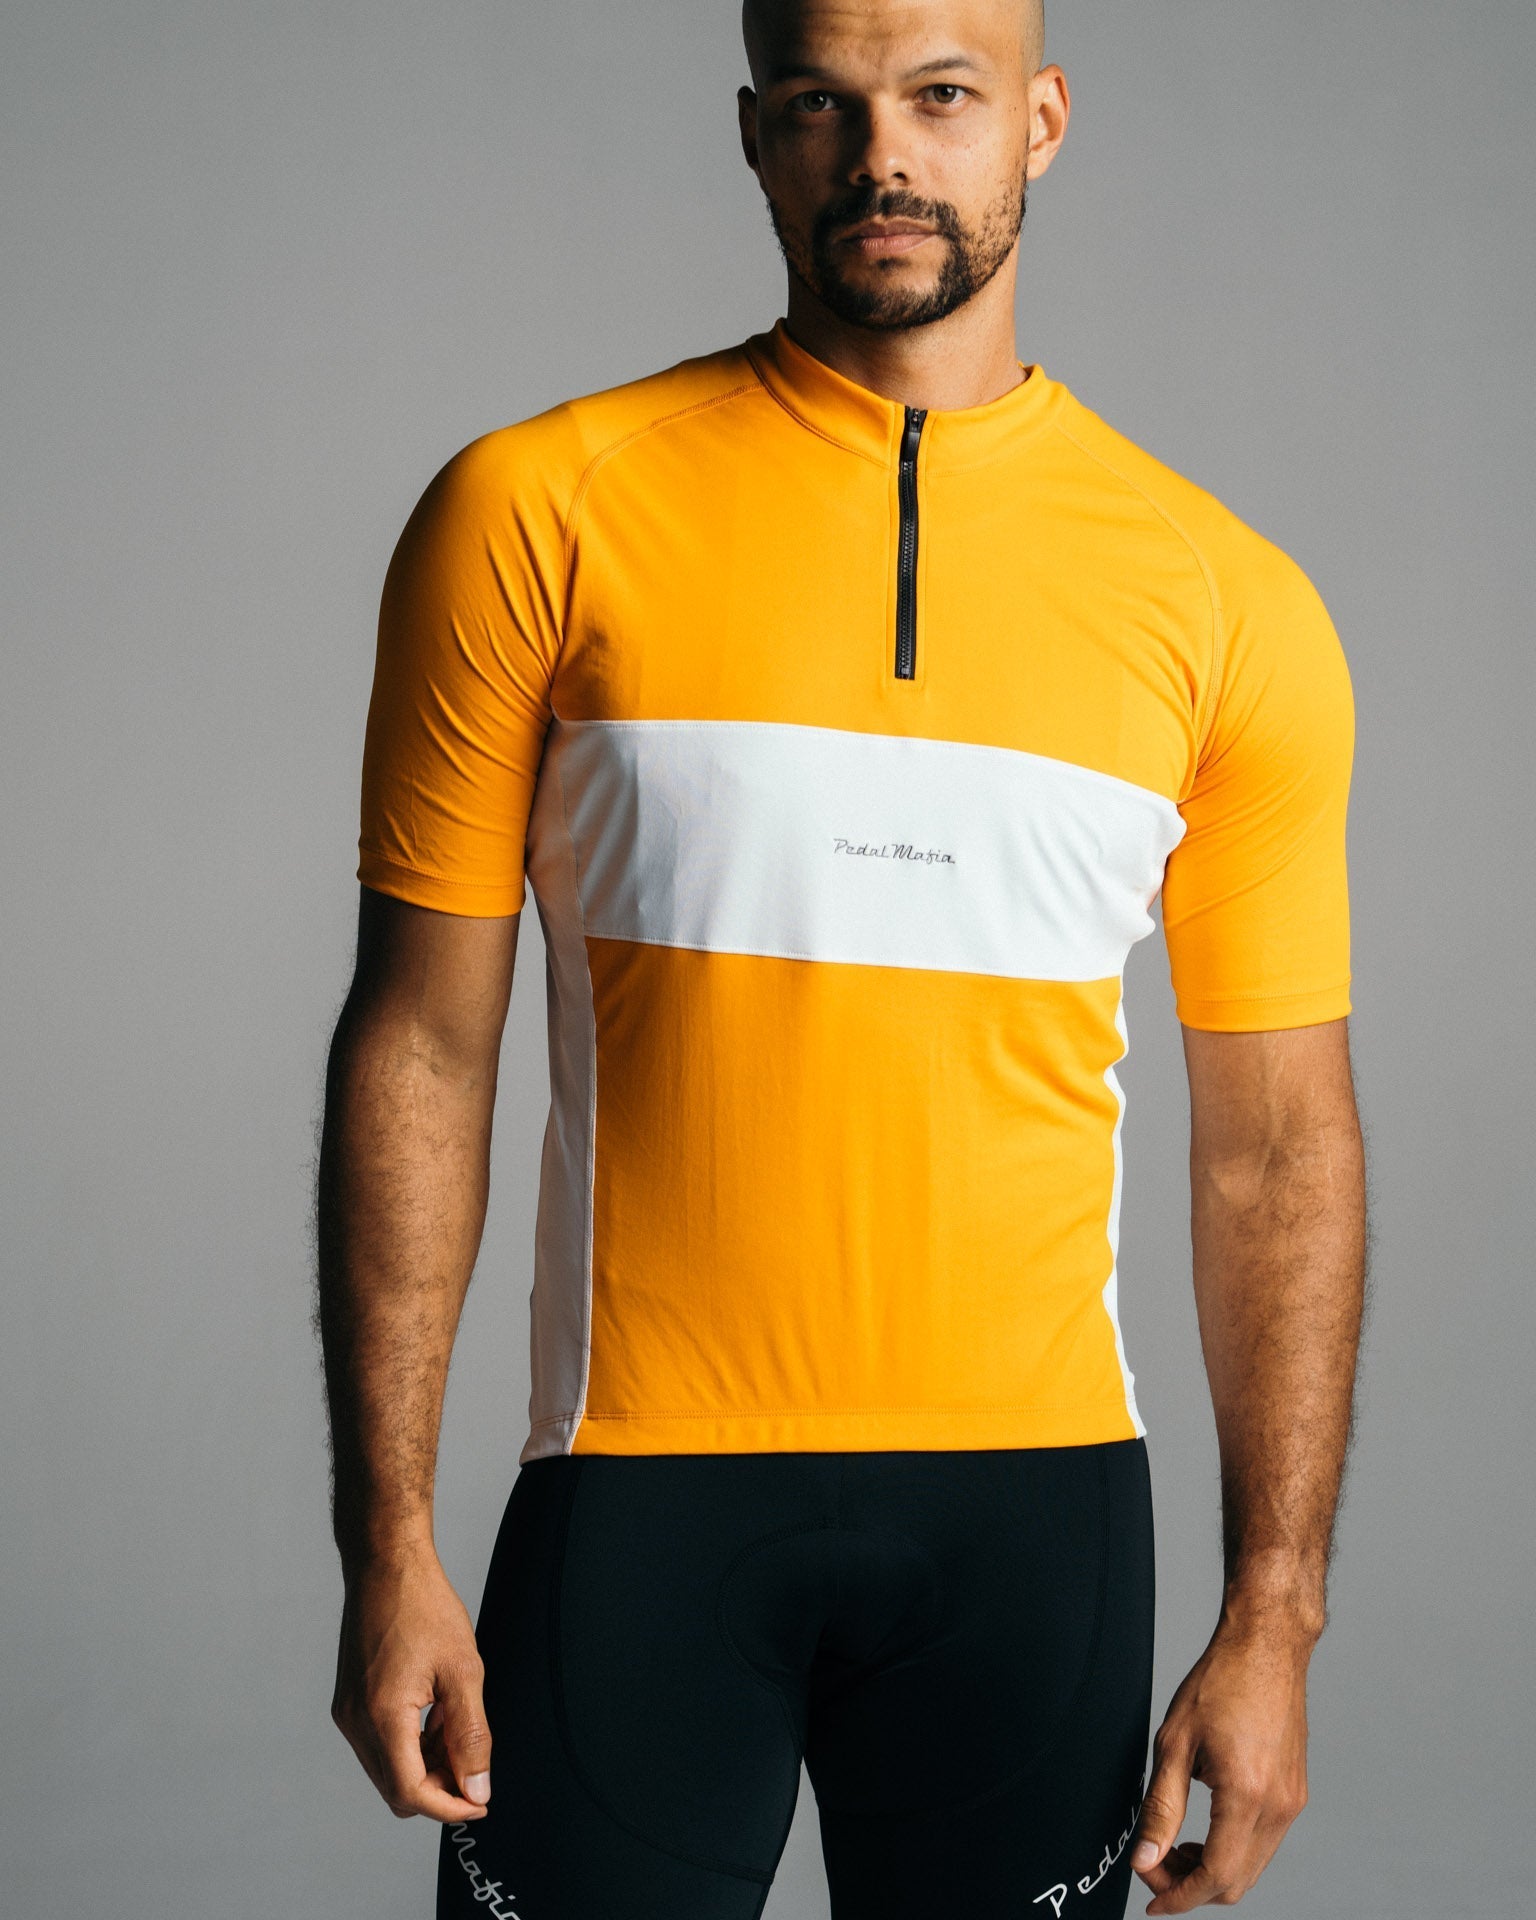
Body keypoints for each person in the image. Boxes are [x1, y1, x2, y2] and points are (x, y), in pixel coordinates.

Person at [315, 1, 1367, 1914]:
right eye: (825, 103)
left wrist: (1276, 1613)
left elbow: (1279, 1148)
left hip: (1037, 1515)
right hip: (637, 1491)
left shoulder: (1227, 601)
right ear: (756, 132)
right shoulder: (535, 511)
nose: (885, 155)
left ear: (1041, 119)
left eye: (943, 97)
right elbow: (422, 1050)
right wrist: (385, 1540)